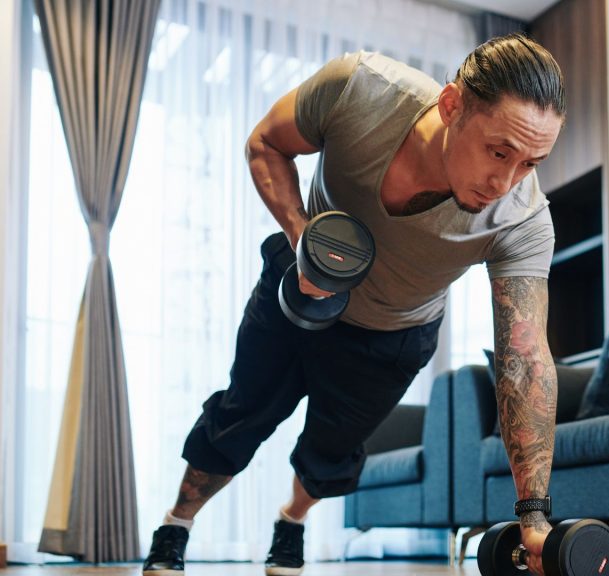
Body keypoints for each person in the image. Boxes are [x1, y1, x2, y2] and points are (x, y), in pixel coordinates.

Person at [142, 32, 565, 576]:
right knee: (239, 415)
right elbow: (266, 143)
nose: (505, 182)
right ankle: (177, 523)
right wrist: (301, 236)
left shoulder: (524, 221)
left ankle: (291, 520)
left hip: (394, 334)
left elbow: (524, 360)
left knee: (331, 452)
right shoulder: (359, 90)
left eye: (530, 163)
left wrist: (534, 514)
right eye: (498, 151)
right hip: (298, 291)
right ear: (452, 105)